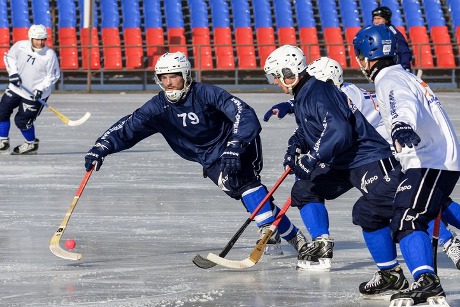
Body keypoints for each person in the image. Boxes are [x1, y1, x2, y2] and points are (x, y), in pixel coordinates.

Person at [83, 51, 309, 258]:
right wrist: (102, 146)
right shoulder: (158, 107)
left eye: (173, 76)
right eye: (163, 78)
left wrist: (237, 143)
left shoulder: (205, 93)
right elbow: (130, 125)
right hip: (208, 157)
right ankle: (291, 235)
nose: (168, 83)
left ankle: (268, 229)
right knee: (243, 193)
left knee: (244, 182)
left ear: (185, 75)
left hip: (238, 143)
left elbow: (243, 112)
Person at [263, 57, 460, 272]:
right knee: (305, 188)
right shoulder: (328, 92)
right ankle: (321, 243)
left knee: (410, 203)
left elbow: (332, 125)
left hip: (380, 154)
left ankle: (449, 242)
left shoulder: (345, 94)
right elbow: (313, 121)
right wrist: (295, 140)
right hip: (346, 157)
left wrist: (309, 153)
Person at [263, 45, 414, 298]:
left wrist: (311, 157)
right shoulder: (303, 94)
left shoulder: (319, 91)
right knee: (305, 188)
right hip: (341, 161)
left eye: (278, 76)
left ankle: (443, 243)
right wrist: (293, 148)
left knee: (403, 206)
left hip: (366, 158)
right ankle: (324, 245)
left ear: (292, 72)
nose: (276, 82)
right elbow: (307, 130)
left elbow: (339, 132)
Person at [354, 24, 460, 306]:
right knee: (377, 211)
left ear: (365, 55)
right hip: (425, 158)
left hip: (428, 159)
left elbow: (400, 103)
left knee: (408, 218)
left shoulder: (389, 79)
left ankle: (427, 283)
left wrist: (401, 126)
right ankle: (402, 275)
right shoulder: (402, 74)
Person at [0, 24, 60, 155]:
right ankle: (3, 142)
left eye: (43, 39)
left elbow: (53, 76)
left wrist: (40, 89)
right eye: (37, 39)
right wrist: (13, 73)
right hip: (16, 88)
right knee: (2, 111)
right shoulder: (20, 46)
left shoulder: (49, 55)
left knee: (22, 121)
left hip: (35, 94)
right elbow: (9, 57)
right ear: (30, 38)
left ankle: (31, 144)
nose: (40, 42)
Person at [372, 6, 413, 72]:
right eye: (375, 18)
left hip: (395, 69)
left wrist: (405, 66)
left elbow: (404, 51)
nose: (376, 21)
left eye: (379, 18)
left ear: (386, 19)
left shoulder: (393, 33)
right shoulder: (375, 32)